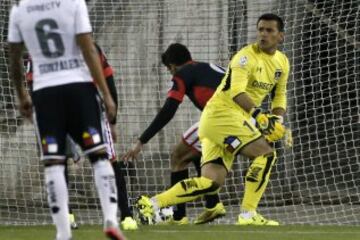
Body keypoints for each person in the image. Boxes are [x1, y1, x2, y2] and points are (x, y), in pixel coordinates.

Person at [134, 13, 289, 226]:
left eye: (269, 30)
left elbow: (279, 95)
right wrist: (260, 117)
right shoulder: (245, 57)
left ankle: (151, 203)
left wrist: (277, 121)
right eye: (260, 29)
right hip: (223, 114)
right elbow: (236, 91)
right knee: (266, 154)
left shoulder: (282, 62)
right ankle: (248, 214)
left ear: (281, 36)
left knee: (210, 183)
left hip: (223, 120)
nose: (263, 34)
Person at [8, 0, 126, 239]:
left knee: (53, 163)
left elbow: (13, 56)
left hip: (45, 92)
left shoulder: (19, 10)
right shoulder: (73, 3)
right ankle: (111, 219)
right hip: (79, 89)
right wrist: (106, 96)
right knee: (99, 156)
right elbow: (88, 49)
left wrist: (21, 96)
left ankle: (63, 233)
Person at [25, 43, 138, 231]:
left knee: (103, 160)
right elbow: (31, 82)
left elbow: (108, 80)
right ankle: (71, 215)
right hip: (70, 112)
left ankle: (123, 215)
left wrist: (113, 120)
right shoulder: (42, 49)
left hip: (82, 112)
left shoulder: (86, 47)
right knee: (70, 161)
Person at [124, 43, 227, 224]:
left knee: (177, 156)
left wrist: (141, 141)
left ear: (172, 66)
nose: (171, 74)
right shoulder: (207, 67)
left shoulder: (182, 74)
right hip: (246, 117)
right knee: (194, 150)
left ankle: (179, 216)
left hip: (223, 119)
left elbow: (168, 110)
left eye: (169, 70)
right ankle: (213, 205)